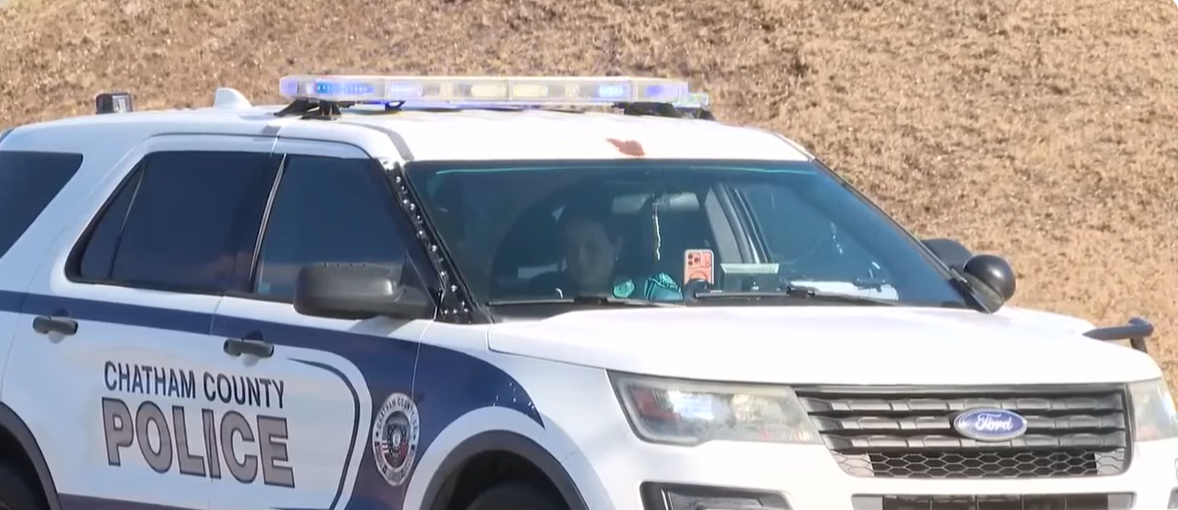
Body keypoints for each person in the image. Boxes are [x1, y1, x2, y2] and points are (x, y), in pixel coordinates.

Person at [526, 200, 683, 301]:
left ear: (616, 247)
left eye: (591, 247)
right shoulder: (543, 293)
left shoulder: (651, 294)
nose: (579, 258)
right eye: (571, 246)